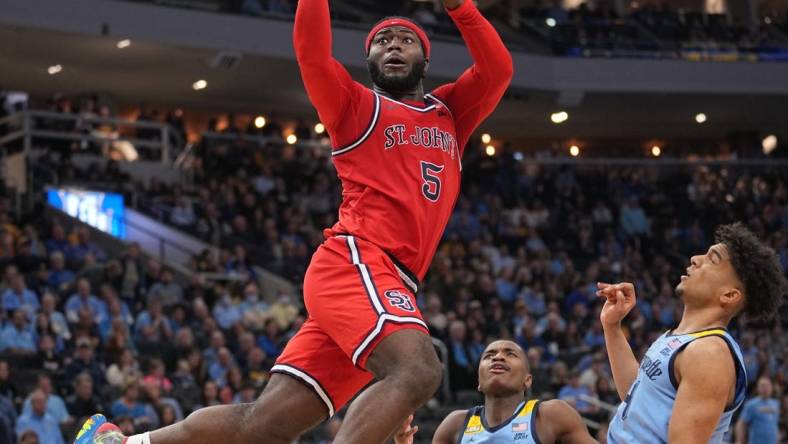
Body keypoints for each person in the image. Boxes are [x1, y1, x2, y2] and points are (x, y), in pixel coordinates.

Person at [77, 0, 512, 443]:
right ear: (369, 60)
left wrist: (459, 7)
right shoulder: (355, 106)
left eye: (405, 40)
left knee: (265, 425)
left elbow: (497, 70)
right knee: (418, 369)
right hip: (358, 261)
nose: (393, 47)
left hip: (388, 282)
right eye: (382, 41)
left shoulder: (450, 112)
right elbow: (312, 53)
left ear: (425, 59)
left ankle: (122, 442)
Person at [601, 224, 785, 443]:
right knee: (556, 415)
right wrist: (612, 326)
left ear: (728, 295)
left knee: (556, 417)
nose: (695, 259)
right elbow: (636, 397)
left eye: (712, 259)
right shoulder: (682, 337)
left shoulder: (710, 354)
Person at [394, 340, 596, 443]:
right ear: (479, 382)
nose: (498, 357)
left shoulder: (550, 415)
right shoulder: (455, 424)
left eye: (510, 354)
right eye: (489, 355)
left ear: (527, 380)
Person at [735, 376, 780, 444]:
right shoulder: (751, 405)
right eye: (762, 386)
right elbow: (741, 424)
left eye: (767, 385)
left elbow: (775, 424)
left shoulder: (776, 404)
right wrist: (739, 440)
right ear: (758, 388)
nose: (765, 388)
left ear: (772, 387)